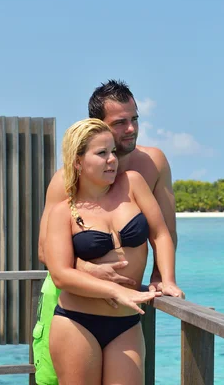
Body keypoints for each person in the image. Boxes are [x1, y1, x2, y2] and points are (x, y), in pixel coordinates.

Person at [32, 79, 178, 385]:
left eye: (134, 119)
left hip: (126, 317)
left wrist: (161, 278)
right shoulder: (65, 184)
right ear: (97, 125)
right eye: (120, 122)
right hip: (73, 305)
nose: (131, 129)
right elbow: (47, 253)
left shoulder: (149, 167)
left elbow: (164, 232)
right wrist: (89, 271)